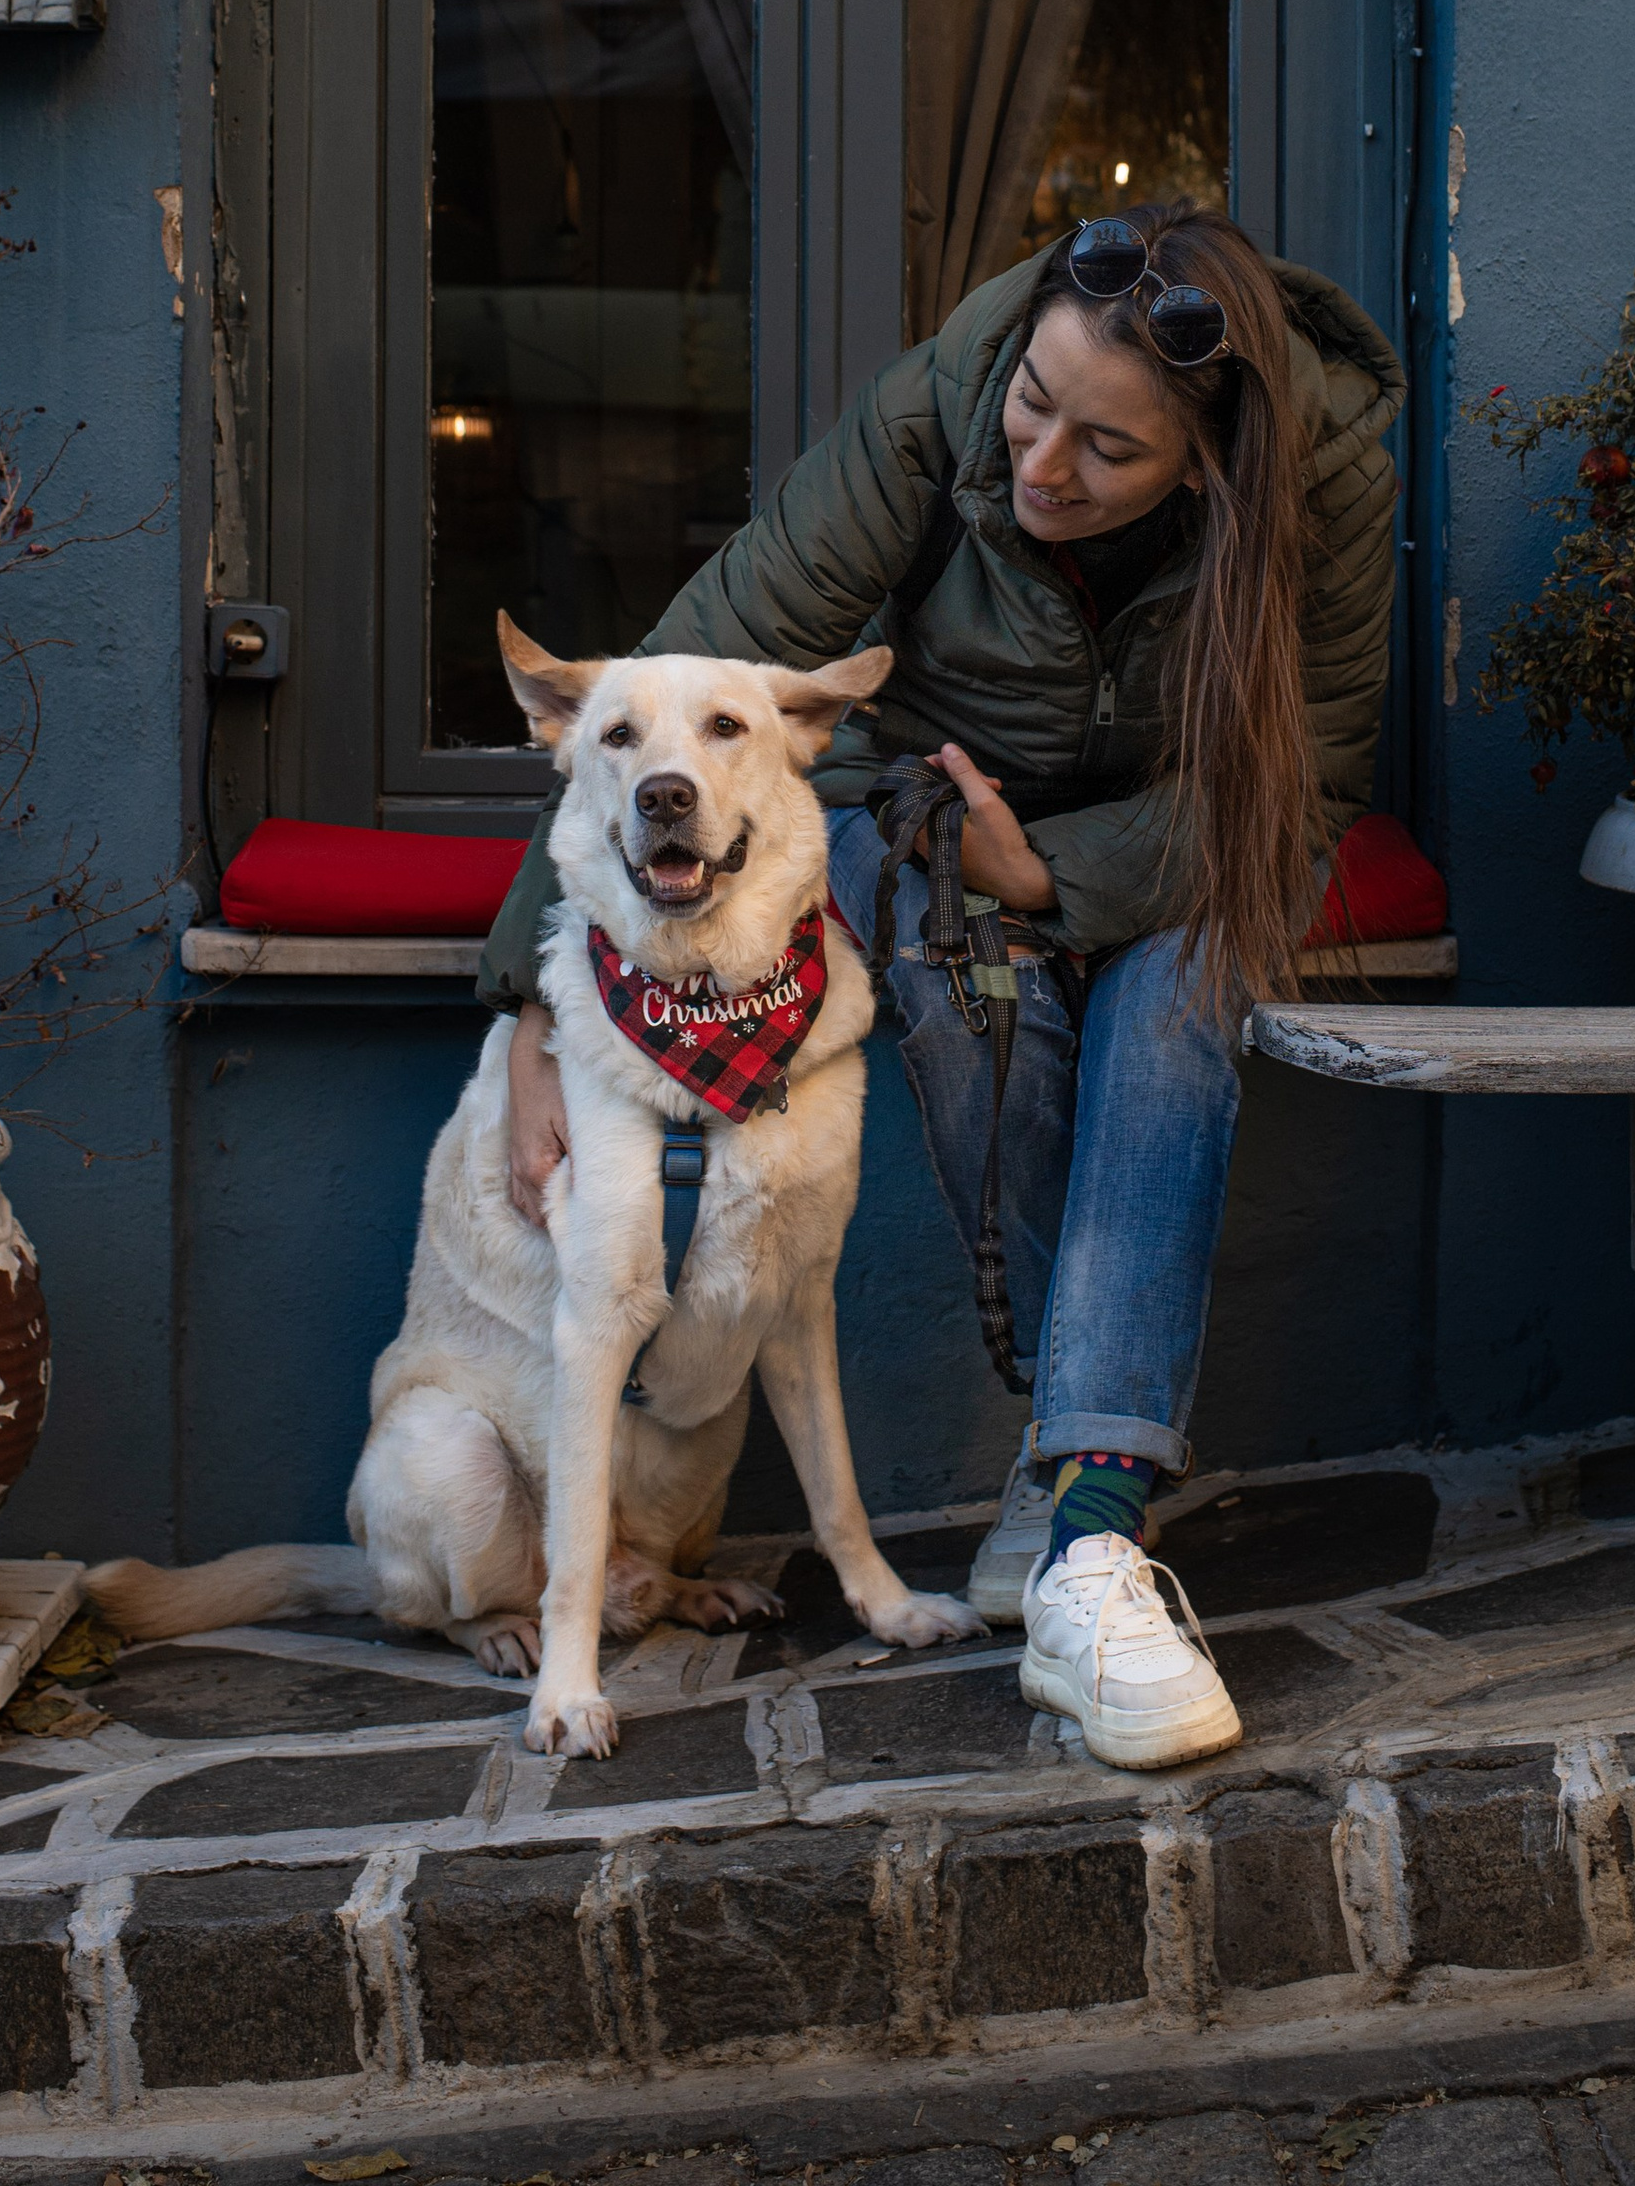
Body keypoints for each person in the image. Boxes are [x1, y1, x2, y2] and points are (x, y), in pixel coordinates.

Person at [476, 202, 1403, 1769]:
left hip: (1193, 838)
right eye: (1036, 408)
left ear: (1212, 462)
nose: (1043, 465)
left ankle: (1086, 1521)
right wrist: (532, 1009)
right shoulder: (933, 405)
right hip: (929, 820)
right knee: (965, 978)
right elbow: (692, 664)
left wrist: (1058, 876)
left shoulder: (1327, 484)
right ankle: (1081, 1507)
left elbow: (1309, 778)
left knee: (1175, 1021)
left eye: (1107, 450)